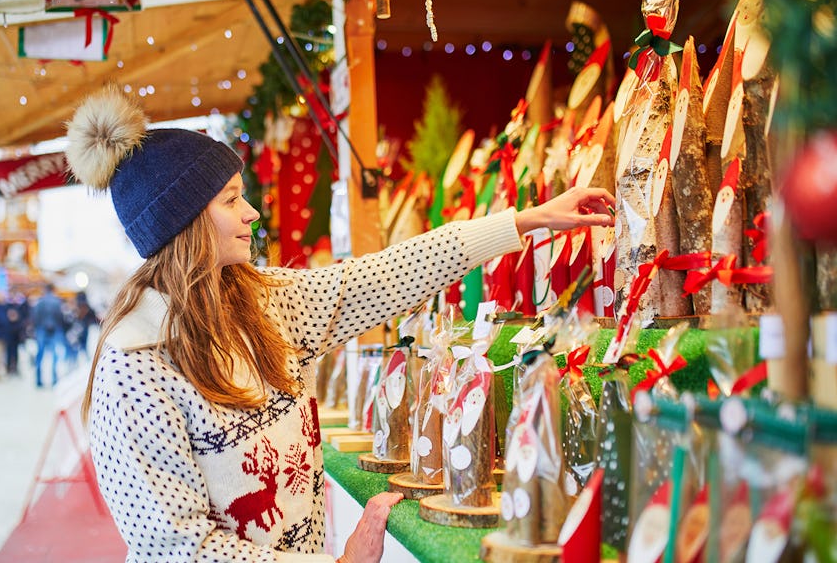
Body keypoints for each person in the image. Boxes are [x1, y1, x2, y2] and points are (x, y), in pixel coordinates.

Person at [65, 85, 615, 563]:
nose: (252, 213)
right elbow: (175, 548)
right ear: (182, 224)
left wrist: (523, 220)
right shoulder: (136, 366)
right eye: (232, 200)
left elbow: (385, 275)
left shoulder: (261, 303)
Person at [31, 283, 66, 388]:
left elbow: (35, 316)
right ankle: (54, 379)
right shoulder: (57, 301)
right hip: (54, 330)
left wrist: (38, 327)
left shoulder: (40, 301)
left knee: (40, 354)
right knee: (55, 355)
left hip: (41, 329)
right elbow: (60, 316)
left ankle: (38, 379)